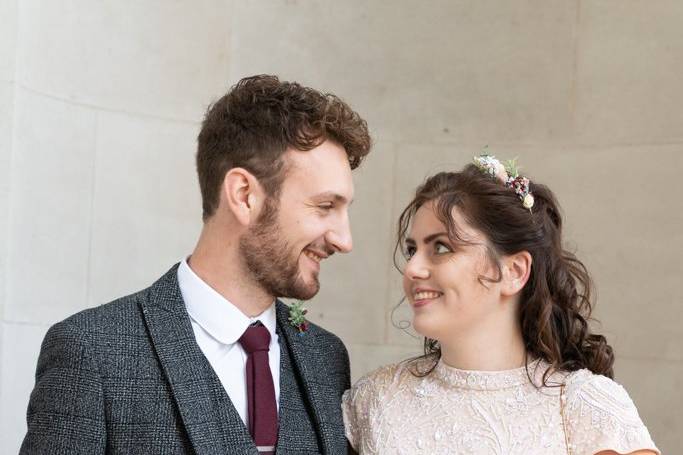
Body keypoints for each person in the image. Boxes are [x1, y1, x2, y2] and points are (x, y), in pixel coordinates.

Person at [21, 75, 371, 455]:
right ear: (244, 195)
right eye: (324, 207)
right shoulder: (91, 352)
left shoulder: (326, 357)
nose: (344, 240)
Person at [342, 155, 659, 454]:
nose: (412, 269)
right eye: (412, 250)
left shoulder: (585, 407)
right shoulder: (375, 399)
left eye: (440, 247)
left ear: (514, 271)